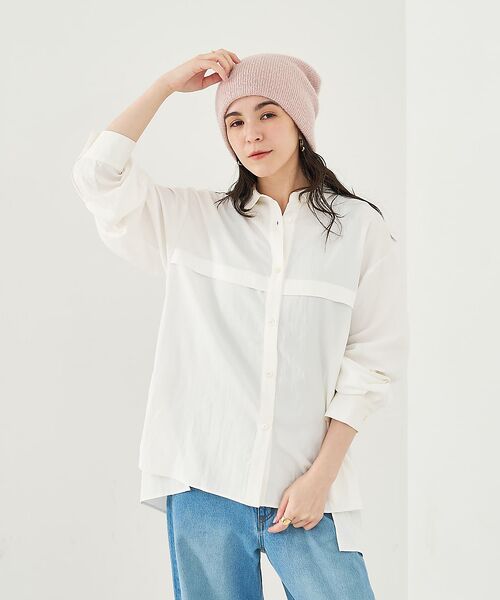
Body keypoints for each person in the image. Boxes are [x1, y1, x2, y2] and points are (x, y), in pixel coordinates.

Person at [72, 50, 409, 599]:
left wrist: (321, 477)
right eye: (234, 120)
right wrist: (164, 85)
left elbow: (374, 360)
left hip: (308, 489)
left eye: (268, 113)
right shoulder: (194, 221)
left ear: (300, 122)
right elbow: (98, 177)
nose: (251, 132)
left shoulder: (359, 229)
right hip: (204, 483)